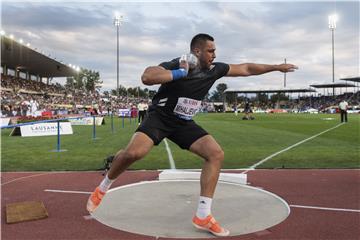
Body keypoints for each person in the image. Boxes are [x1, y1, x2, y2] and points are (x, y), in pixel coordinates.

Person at [87, 33, 298, 237]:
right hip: (160, 116)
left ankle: (203, 215)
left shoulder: (215, 69)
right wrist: (180, 73)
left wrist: (276, 67)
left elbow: (246, 68)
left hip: (183, 122)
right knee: (134, 153)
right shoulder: (178, 63)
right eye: (210, 51)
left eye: (215, 51)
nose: (214, 55)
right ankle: (102, 188)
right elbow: (147, 76)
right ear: (197, 51)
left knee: (215, 154)